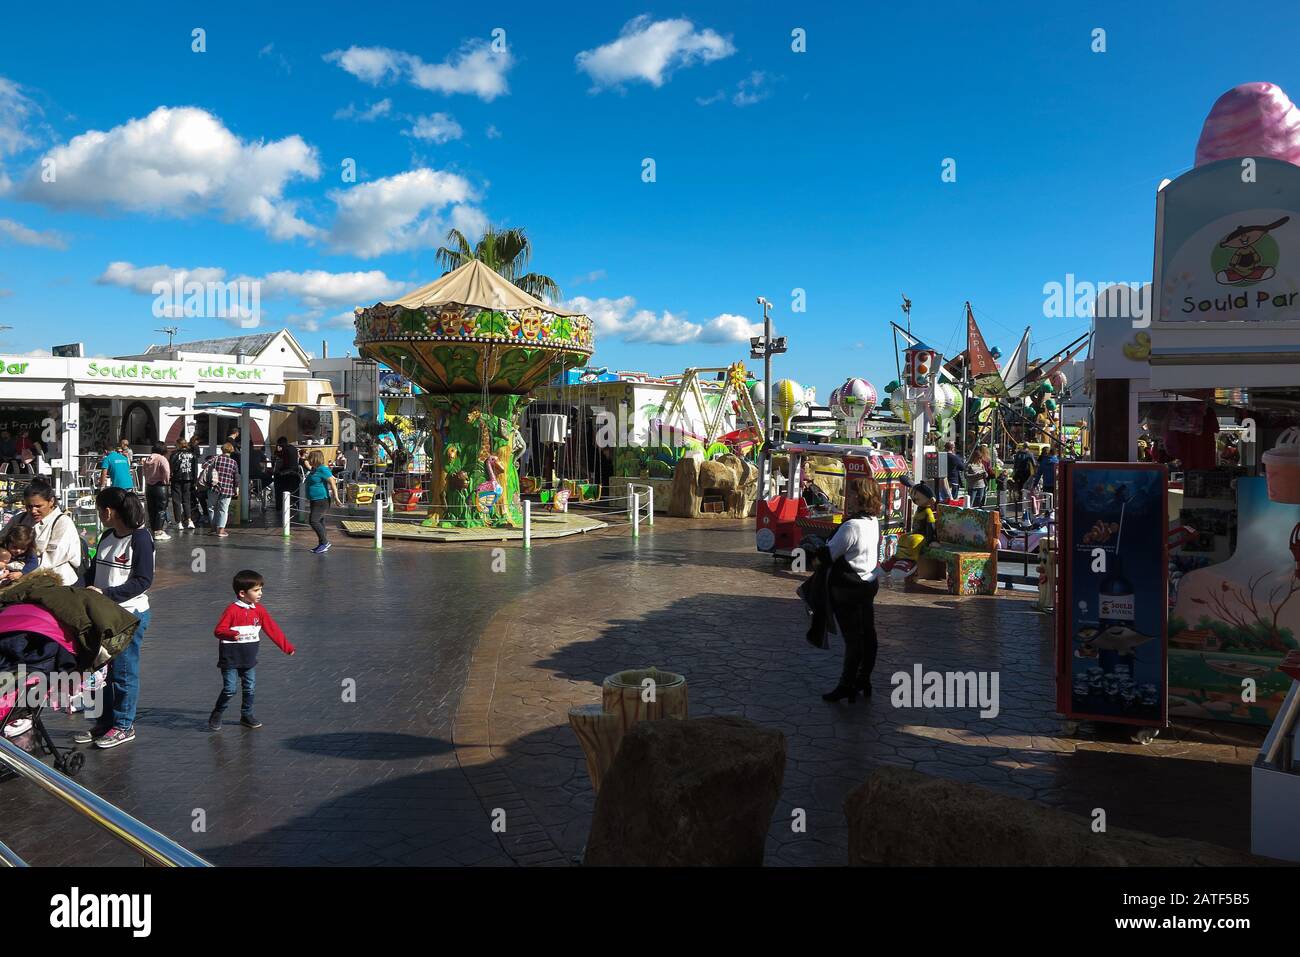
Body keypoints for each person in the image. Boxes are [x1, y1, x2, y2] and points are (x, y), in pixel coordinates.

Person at [77, 486, 154, 750]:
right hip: (101, 614)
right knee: (100, 672)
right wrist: (77, 588)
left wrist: (106, 593)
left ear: (108, 511)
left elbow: (143, 581)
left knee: (123, 673)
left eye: (100, 510)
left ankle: (123, 725)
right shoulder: (108, 536)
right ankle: (103, 722)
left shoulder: (141, 539)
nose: (99, 514)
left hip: (128, 616)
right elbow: (93, 571)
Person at [820, 476, 883, 703]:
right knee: (868, 634)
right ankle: (863, 678)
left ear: (860, 496)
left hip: (847, 589)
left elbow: (828, 555)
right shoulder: (873, 521)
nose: (849, 497)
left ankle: (846, 684)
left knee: (853, 639)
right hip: (867, 584)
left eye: (852, 493)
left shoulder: (852, 526)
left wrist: (813, 550)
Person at [208, 569, 295, 731]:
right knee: (230, 689)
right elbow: (218, 630)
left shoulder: (259, 611)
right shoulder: (232, 610)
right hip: (231, 658)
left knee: (250, 687)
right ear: (242, 593)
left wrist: (286, 647)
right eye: (256, 590)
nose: (260, 593)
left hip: (249, 658)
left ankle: (246, 715)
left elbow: (272, 629)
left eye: (261, 589)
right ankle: (218, 712)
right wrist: (232, 634)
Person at [3, 479, 82, 585]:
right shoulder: (19, 519)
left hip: (55, 582)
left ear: (51, 501)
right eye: (29, 507)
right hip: (17, 579)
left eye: (38, 506)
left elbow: (51, 559)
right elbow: (2, 541)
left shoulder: (63, 523)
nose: (33, 511)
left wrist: (15, 566)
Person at [304, 449, 343, 554]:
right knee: (320, 521)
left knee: (314, 521)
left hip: (322, 501)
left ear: (315, 459)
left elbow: (333, 482)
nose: (308, 459)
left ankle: (325, 542)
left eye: (310, 458)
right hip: (314, 500)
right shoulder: (314, 469)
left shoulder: (322, 469)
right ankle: (322, 544)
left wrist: (336, 497)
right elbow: (305, 462)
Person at [141, 443, 172, 541]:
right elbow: (166, 471)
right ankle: (159, 531)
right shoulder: (162, 459)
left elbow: (144, 472)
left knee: (151, 508)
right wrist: (166, 481)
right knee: (161, 509)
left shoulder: (147, 459)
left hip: (149, 486)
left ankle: (153, 529)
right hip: (160, 486)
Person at [209, 443, 240, 538]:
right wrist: (236, 488)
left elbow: (204, 465)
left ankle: (213, 528)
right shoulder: (233, 462)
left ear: (222, 450)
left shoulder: (216, 458)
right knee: (223, 509)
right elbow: (236, 477)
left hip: (214, 487)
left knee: (212, 508)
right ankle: (221, 530)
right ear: (231, 451)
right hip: (227, 488)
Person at [170, 438, 196, 530]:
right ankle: (189, 520)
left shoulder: (175, 454)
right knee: (187, 500)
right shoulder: (192, 455)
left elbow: (172, 467)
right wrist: (194, 481)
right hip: (189, 479)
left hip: (177, 479)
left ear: (178, 444)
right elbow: (194, 468)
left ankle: (179, 522)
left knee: (176, 500)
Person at [272, 437, 301, 515]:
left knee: (277, 482)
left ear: (281, 443)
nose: (279, 446)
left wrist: (277, 471)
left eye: (279, 445)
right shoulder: (294, 448)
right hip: (295, 473)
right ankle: (297, 505)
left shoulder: (285, 450)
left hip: (287, 474)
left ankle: (279, 506)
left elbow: (284, 464)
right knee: (295, 492)